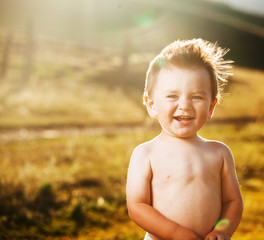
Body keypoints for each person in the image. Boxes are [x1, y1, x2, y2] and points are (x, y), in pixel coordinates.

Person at [126, 39, 243, 240]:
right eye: (172, 96)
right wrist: (176, 233)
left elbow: (233, 202)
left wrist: (221, 231)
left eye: (196, 97)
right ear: (151, 104)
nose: (185, 106)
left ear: (211, 107)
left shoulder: (219, 153)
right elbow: (137, 206)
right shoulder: (146, 154)